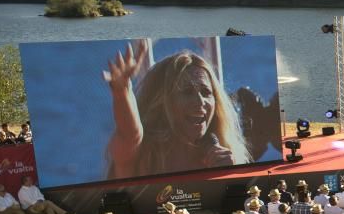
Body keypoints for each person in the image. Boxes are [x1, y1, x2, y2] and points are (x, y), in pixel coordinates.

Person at [103, 42, 252, 179]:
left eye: (206, 92)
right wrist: (122, 90)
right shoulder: (143, 154)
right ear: (162, 102)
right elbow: (131, 134)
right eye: (187, 92)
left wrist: (230, 175)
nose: (200, 101)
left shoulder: (223, 156)